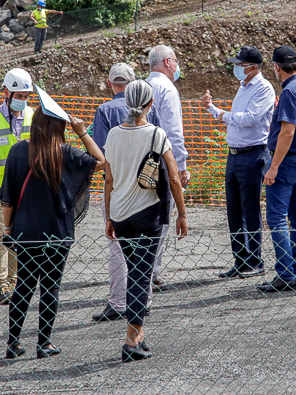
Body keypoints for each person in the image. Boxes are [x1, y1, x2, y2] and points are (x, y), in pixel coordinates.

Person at [1, 86, 104, 359]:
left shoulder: (17, 151)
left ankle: (13, 343)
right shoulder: (65, 152)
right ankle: (44, 343)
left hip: (25, 232)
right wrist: (82, 130)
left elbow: (8, 199)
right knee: (50, 287)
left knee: (23, 285)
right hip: (57, 233)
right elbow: (100, 161)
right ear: (58, 126)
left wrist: (8, 229)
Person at [103, 80, 189, 362]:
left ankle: (139, 335)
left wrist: (108, 217)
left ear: (126, 102)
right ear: (151, 104)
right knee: (142, 276)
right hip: (147, 214)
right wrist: (182, 213)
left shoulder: (113, 135)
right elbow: (174, 177)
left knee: (134, 271)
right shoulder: (156, 134)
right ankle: (130, 340)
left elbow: (109, 179)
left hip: (120, 213)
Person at [90, 63, 160, 323]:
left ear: (110, 84)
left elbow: (99, 157)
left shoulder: (105, 111)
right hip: (147, 192)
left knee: (118, 249)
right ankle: (145, 300)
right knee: (146, 250)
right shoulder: (151, 112)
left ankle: (119, 302)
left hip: (118, 189)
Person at [201, 46, 275, 279]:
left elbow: (250, 120)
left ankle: (255, 260)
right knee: (234, 210)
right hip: (235, 155)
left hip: (253, 154)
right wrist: (212, 109)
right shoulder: (243, 87)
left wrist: (221, 114)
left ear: (252, 67)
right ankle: (241, 259)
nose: (236, 69)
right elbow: (237, 119)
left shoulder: (264, 88)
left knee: (250, 209)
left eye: (240, 65)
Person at [256, 46, 296, 294]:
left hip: (286, 161)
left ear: (276, 67)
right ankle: (295, 269)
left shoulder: (289, 92)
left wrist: (273, 167)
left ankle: (285, 273)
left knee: (276, 219)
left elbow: (288, 131)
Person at [0, 68, 35, 304]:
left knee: (21, 236)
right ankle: (2, 285)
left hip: (26, 189)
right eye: (19, 95)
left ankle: (16, 281)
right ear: (6, 92)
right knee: (1, 236)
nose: (23, 100)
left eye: (25, 96)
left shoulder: (34, 115)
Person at [145, 45, 189, 290]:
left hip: (139, 163)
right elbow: (173, 131)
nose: (177, 65)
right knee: (160, 219)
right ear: (166, 62)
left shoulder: (140, 85)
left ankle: (141, 270)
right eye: (175, 60)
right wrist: (180, 167)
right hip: (162, 165)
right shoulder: (167, 89)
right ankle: (150, 273)